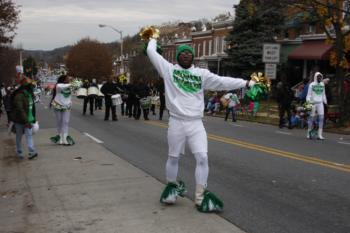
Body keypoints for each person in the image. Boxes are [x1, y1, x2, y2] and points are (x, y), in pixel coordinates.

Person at [146, 38, 255, 212]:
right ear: (178, 56)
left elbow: (222, 81)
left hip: (196, 123)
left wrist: (246, 83)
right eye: (182, 52)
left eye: (189, 52)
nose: (186, 54)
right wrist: (152, 38)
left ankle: (200, 195)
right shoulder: (169, 70)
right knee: (173, 157)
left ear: (194, 57)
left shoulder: (201, 74)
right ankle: (171, 188)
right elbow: (151, 53)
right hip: (176, 121)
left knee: (202, 157)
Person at [11, 77, 38, 160]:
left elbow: (30, 108)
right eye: (31, 86)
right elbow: (20, 109)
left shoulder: (29, 94)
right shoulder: (19, 95)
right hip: (20, 120)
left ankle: (31, 152)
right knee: (19, 136)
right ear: (25, 86)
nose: (32, 88)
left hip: (28, 120)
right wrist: (26, 121)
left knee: (29, 136)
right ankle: (19, 153)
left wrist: (32, 119)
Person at [49, 74, 75, 145]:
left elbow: (76, 87)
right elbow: (64, 86)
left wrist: (74, 83)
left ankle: (65, 138)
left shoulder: (70, 86)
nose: (69, 79)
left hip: (67, 105)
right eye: (67, 78)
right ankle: (60, 138)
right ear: (64, 80)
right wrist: (72, 83)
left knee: (66, 122)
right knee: (59, 121)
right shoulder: (58, 86)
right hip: (58, 105)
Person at [306, 72, 327, 139]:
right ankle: (309, 134)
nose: (319, 78)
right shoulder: (311, 85)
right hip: (313, 103)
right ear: (315, 77)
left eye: (320, 77)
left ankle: (319, 135)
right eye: (318, 77)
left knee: (321, 118)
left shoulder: (322, 84)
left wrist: (325, 101)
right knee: (311, 118)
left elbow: (323, 94)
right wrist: (308, 103)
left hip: (320, 103)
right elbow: (308, 95)